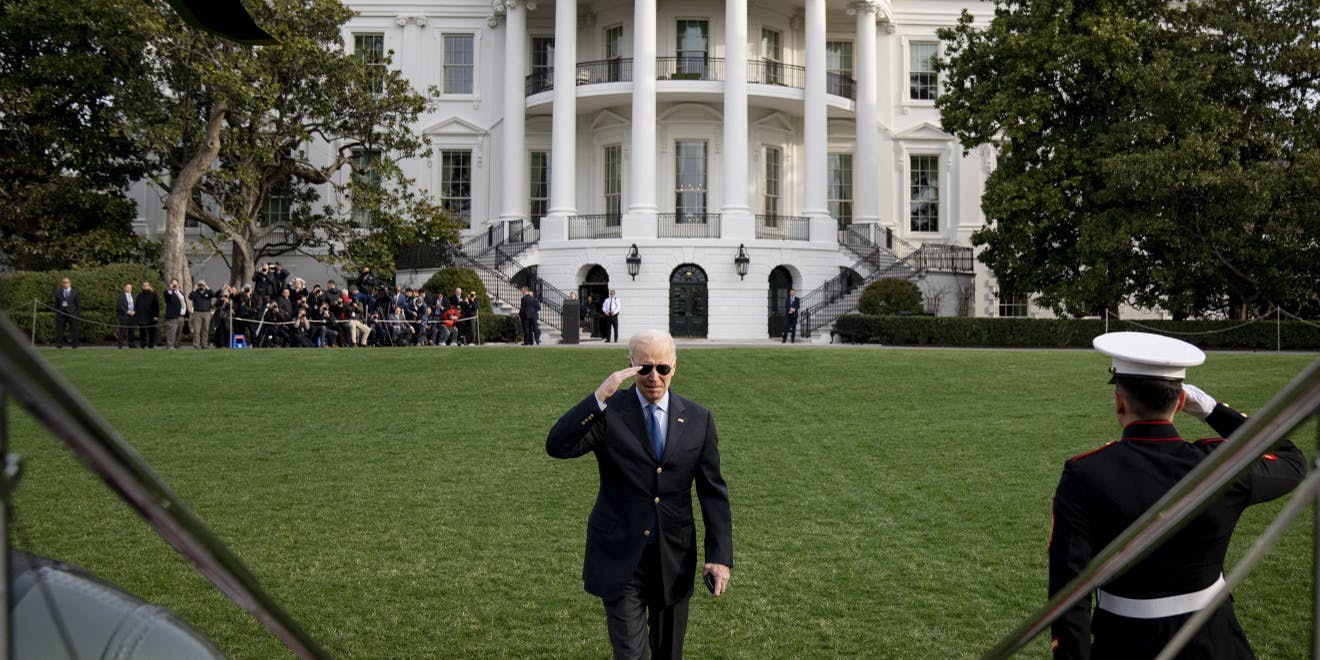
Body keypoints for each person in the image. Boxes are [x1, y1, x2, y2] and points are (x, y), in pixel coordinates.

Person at [1048, 332, 1305, 659]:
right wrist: (1213, 411)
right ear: (1181, 402)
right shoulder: (1219, 466)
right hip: (1214, 641)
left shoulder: (1086, 473)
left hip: (1123, 643)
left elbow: (1068, 594)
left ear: (1119, 401)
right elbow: (1290, 458)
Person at [546, 329, 733, 659]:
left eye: (662, 368)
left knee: (667, 654)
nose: (654, 377)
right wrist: (600, 396)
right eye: (644, 368)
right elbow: (558, 446)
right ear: (629, 366)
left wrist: (718, 557)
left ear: (675, 367)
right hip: (620, 558)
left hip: (673, 559)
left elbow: (712, 492)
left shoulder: (699, 419)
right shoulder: (608, 414)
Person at [52, 277, 82, 348]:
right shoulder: (58, 292)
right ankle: (59, 345)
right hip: (61, 314)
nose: (66, 284)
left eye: (67, 282)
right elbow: (56, 305)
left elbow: (78, 305)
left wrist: (76, 314)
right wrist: (58, 313)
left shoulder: (75, 292)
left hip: (72, 315)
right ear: (62, 284)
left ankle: (74, 345)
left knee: (74, 330)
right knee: (59, 331)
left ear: (70, 283)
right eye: (64, 282)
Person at [162, 278, 188, 349]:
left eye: (175, 284)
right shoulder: (167, 292)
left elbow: (184, 303)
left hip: (181, 316)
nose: (174, 285)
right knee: (171, 332)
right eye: (173, 284)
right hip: (172, 316)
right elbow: (168, 298)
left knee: (179, 333)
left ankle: (177, 345)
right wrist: (170, 290)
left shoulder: (180, 293)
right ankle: (170, 345)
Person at [189, 280, 215, 349]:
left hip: (207, 313)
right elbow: (190, 297)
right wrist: (194, 289)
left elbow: (213, 294)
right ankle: (196, 344)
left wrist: (207, 287)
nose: (201, 286)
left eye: (202, 285)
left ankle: (204, 344)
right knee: (197, 330)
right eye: (200, 285)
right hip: (197, 313)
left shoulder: (208, 292)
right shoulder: (196, 292)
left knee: (205, 329)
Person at [135, 281, 161, 349]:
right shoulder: (139, 295)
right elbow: (137, 306)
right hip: (142, 316)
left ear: (149, 286)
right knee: (142, 332)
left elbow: (156, 306)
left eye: (146, 285)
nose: (145, 287)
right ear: (142, 286)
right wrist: (137, 315)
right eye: (144, 285)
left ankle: (151, 345)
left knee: (151, 332)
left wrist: (156, 315)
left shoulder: (154, 295)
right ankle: (143, 345)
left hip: (151, 317)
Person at [115, 283, 136, 348]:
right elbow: (120, 306)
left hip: (132, 316)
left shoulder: (134, 296)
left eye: (130, 288)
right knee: (123, 331)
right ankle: (120, 345)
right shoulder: (121, 296)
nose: (129, 289)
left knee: (132, 331)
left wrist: (134, 311)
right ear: (125, 288)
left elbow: (136, 305)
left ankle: (131, 344)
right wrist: (127, 312)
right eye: (128, 287)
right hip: (124, 316)